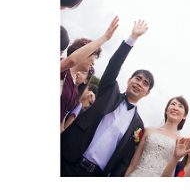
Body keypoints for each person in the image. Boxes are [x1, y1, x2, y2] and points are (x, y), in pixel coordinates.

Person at [61, 20, 151, 177]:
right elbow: (114, 65)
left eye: (145, 83)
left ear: (147, 93)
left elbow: (123, 161)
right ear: (129, 80)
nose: (139, 83)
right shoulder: (110, 91)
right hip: (68, 158)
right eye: (137, 78)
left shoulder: (138, 125)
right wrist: (132, 38)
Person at [126, 90, 190, 177]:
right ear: (166, 111)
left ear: (184, 116)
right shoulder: (149, 130)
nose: (175, 108)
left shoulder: (181, 142)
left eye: (180, 106)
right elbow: (133, 163)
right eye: (173, 104)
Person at [60, 16, 119, 125]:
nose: (94, 63)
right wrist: (105, 37)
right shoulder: (62, 66)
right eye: (94, 57)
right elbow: (72, 60)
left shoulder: (75, 87)